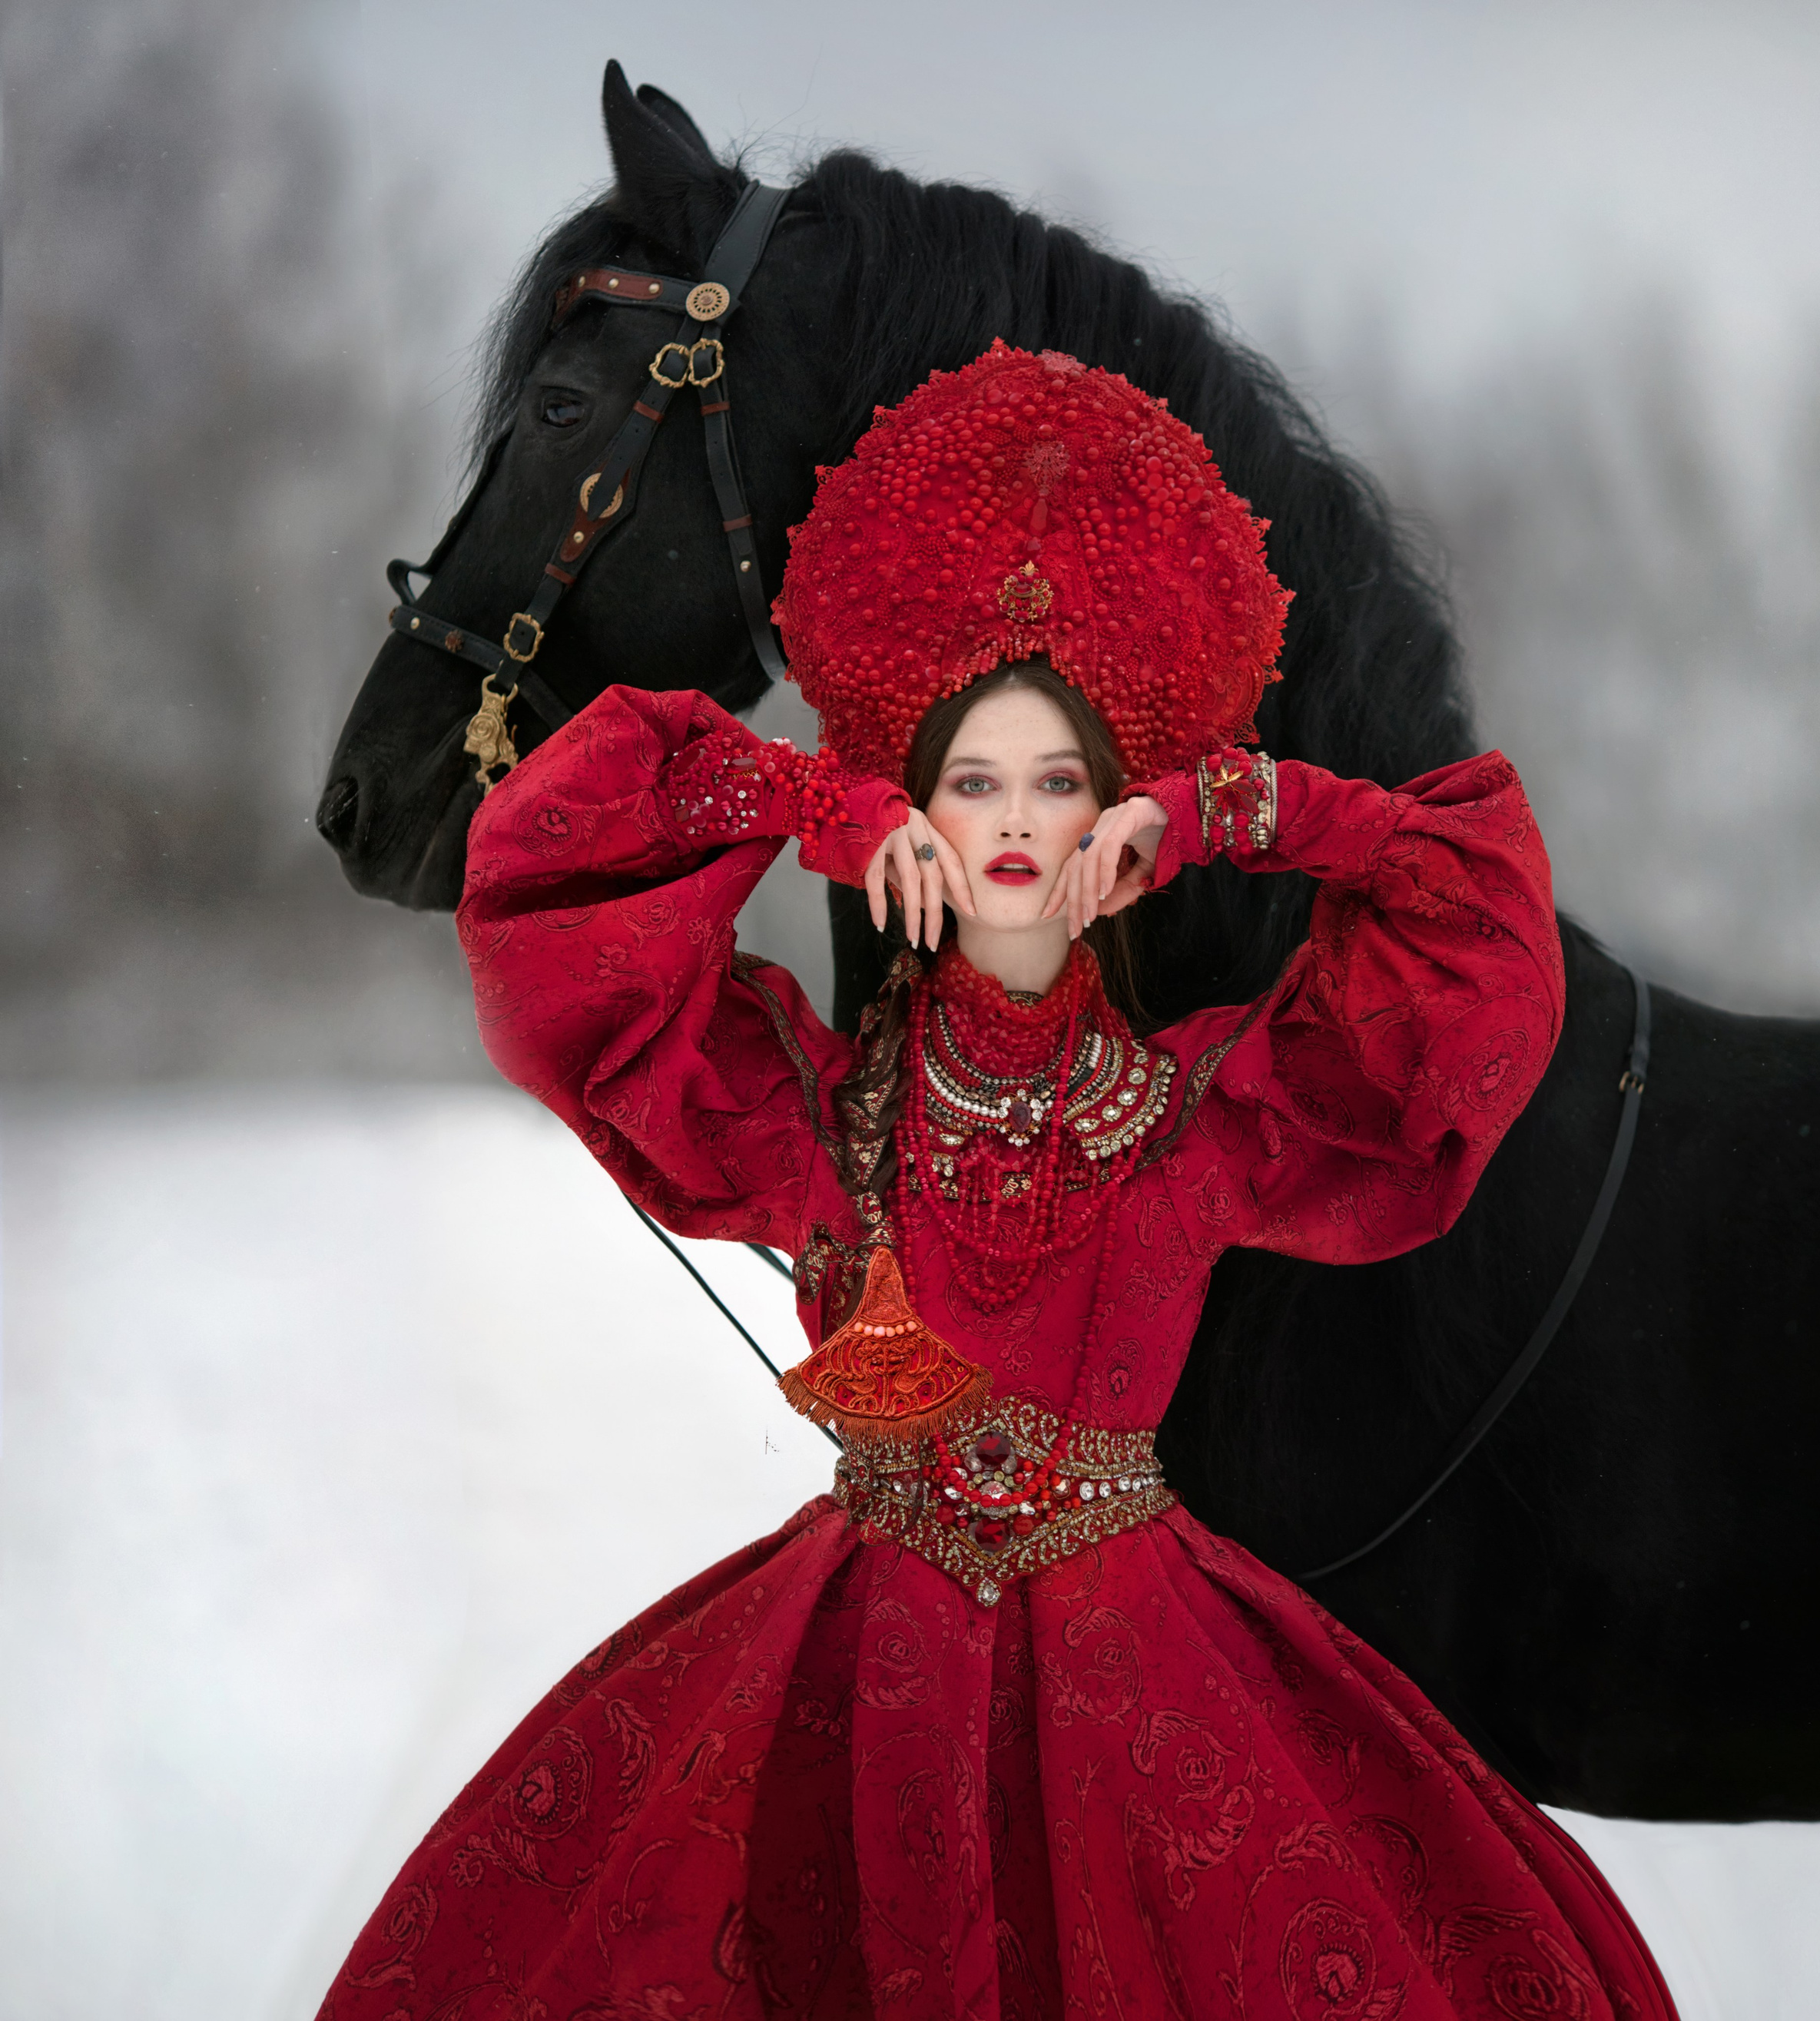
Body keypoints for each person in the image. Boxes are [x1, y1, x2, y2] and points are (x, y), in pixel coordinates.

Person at [320, 343, 1676, 2020]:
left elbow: (1466, 927)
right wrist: (809, 802)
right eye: (974, 782)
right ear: (921, 811)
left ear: (1116, 822)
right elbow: (555, 876)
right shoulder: (813, 1113)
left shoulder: (1201, 1110)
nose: (1016, 823)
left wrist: (1237, 806)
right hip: (840, 1670)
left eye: (1060, 784)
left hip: (1142, 1677)